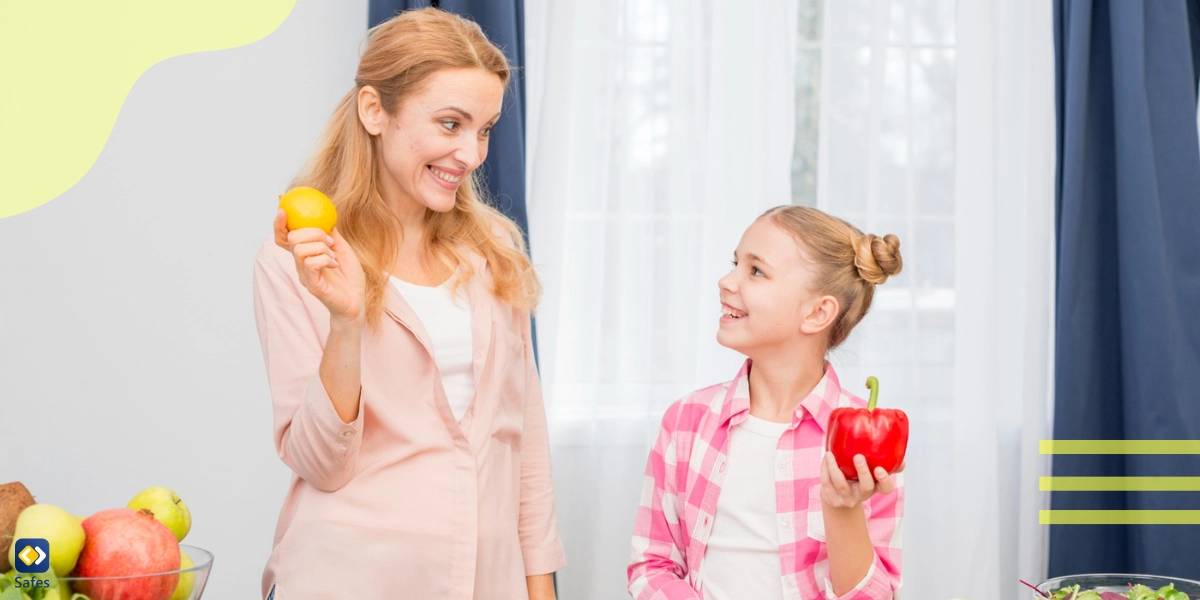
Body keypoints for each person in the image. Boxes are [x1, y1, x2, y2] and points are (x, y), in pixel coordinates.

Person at [251, 8, 565, 599]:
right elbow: (319, 463)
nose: (472, 154)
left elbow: (524, 442)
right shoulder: (300, 259)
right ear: (375, 110)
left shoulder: (494, 252)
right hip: (345, 580)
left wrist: (540, 588)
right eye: (450, 124)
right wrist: (345, 322)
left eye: (485, 129)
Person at [627, 206, 905, 600]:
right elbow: (651, 566)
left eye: (756, 271)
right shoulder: (687, 421)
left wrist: (843, 510)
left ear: (817, 312)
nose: (726, 281)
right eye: (735, 263)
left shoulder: (867, 444)